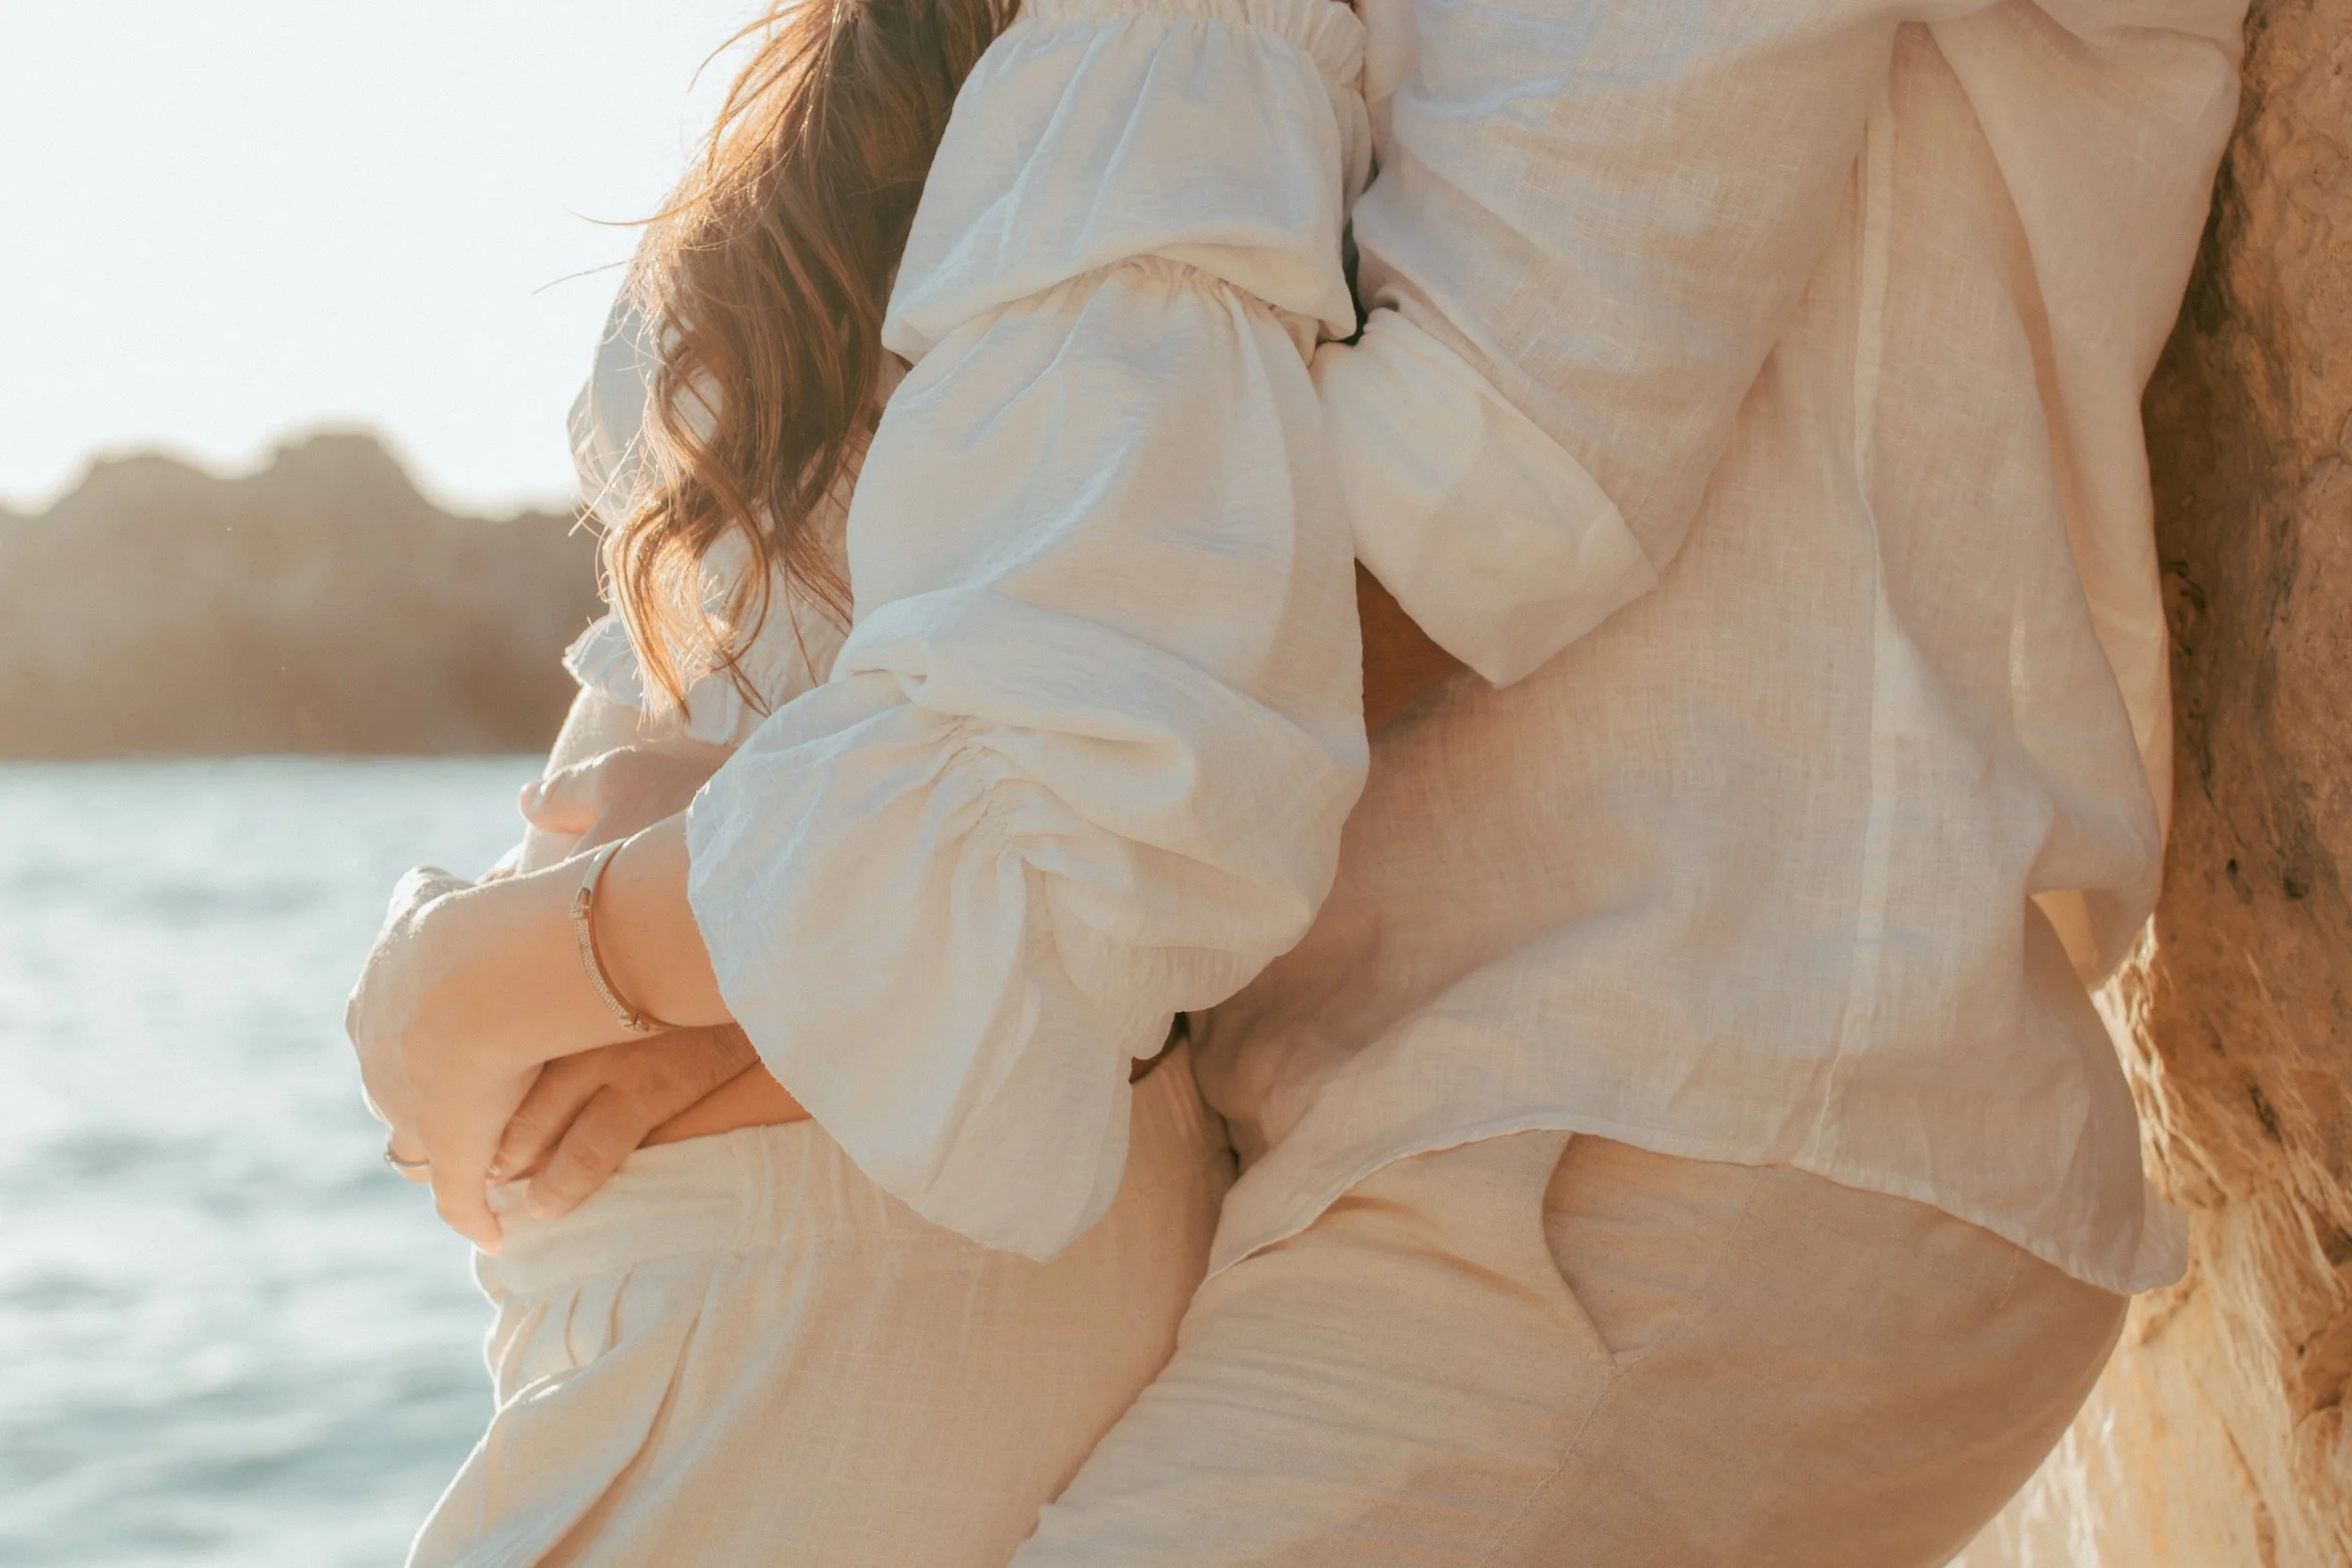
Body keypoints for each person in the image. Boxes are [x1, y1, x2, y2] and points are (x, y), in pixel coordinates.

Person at [353, 0, 2251, 1560]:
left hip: (1685, 1093)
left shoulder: (1181, 55)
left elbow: (1396, 544)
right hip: (1300, 1136)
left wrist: (666, 954)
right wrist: (771, 927)